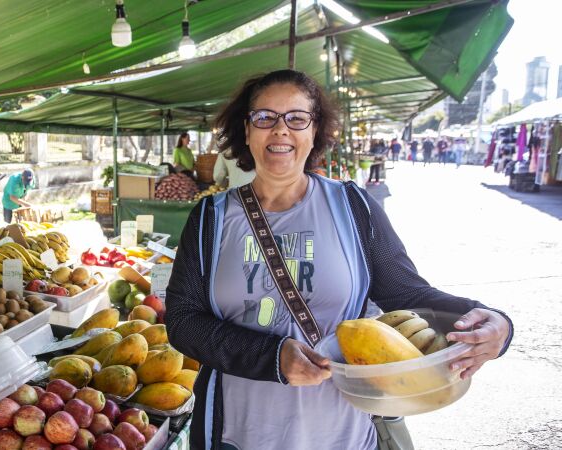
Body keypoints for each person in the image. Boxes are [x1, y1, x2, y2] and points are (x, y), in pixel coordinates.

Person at [165, 69, 513, 450]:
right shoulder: (211, 218)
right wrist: (271, 357)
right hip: (236, 433)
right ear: (246, 131)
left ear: (314, 132)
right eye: (265, 117)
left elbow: (406, 293)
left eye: (296, 118)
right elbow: (183, 321)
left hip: (343, 432)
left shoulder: (352, 207)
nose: (280, 130)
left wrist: (491, 321)